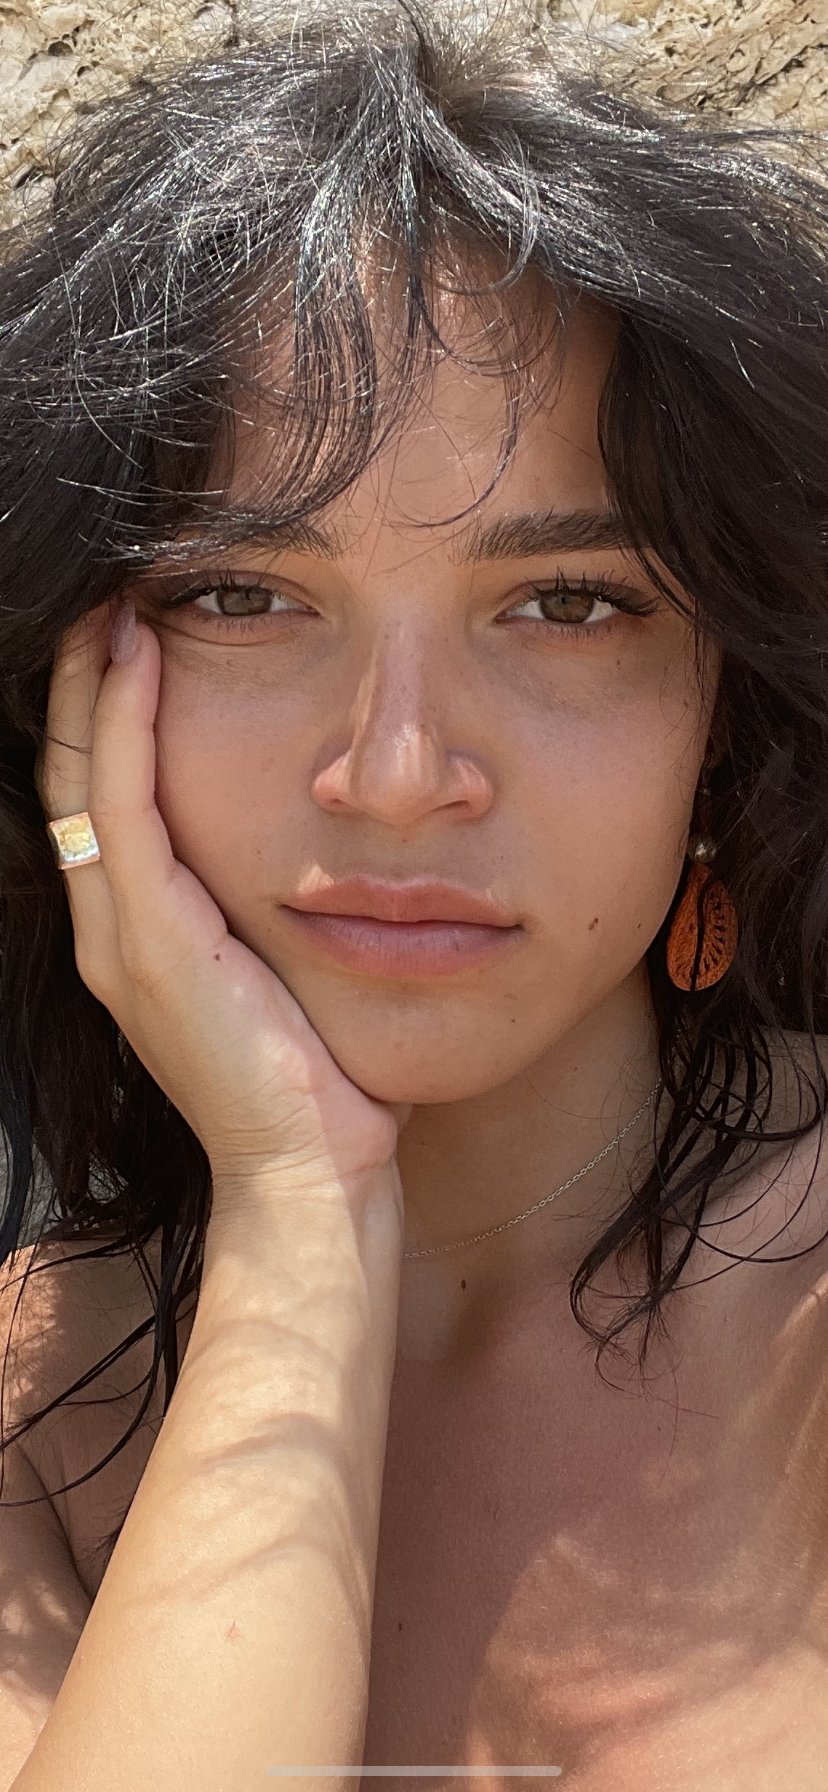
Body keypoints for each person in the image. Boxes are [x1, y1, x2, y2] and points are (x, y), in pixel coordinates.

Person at [1, 0, 828, 1785]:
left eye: (570, 605)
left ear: (731, 708)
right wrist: (298, 1209)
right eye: (243, 597)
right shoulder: (36, 1401)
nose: (396, 774)